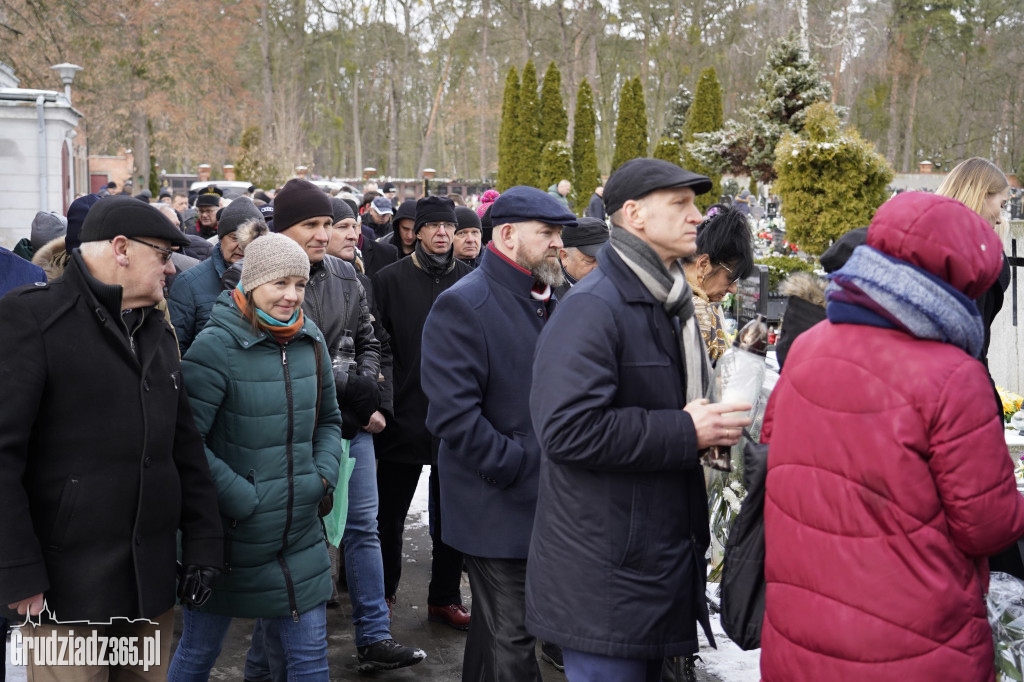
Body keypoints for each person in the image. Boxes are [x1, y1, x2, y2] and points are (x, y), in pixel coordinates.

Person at [759, 191, 1024, 681]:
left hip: (803, 633)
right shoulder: (952, 376)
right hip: (912, 642)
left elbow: (778, 457)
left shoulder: (807, 348)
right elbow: (987, 525)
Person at [525, 158, 751, 681]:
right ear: (635, 215)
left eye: (694, 204)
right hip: (606, 576)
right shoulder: (594, 307)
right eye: (680, 203)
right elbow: (566, 430)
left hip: (651, 566)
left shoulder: (667, 301)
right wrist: (686, 430)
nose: (697, 216)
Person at [0, 195, 223, 680]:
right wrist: (18, 569)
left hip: (148, 589)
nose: (171, 270)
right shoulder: (32, 320)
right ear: (121, 248)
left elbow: (183, 448)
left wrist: (204, 541)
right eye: (163, 256)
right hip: (67, 592)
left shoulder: (157, 332)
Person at [168, 228, 344, 681]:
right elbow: (186, 443)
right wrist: (245, 498)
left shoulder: (311, 340)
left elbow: (328, 420)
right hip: (231, 542)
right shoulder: (215, 346)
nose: (291, 296)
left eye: (300, 284)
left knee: (309, 663)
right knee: (196, 656)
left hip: (300, 535)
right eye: (279, 283)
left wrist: (321, 476)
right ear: (250, 283)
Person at [421, 186, 578, 681]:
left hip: (550, 504)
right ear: (507, 235)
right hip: (496, 506)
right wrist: (521, 465)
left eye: (560, 234)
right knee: (514, 638)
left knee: (495, 637)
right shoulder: (464, 304)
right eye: (547, 233)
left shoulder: (557, 297)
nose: (559, 244)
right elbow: (453, 418)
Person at [272, 178, 425, 672]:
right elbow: (284, 356)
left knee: (364, 528)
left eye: (326, 224)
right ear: (283, 229)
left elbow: (370, 338)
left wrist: (371, 399)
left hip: (352, 427)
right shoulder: (261, 277)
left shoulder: (345, 273)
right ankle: (304, 650)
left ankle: (374, 635)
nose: (322, 234)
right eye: (310, 225)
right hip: (293, 429)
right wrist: (351, 392)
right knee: (305, 537)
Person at [371, 196, 474, 630]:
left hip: (455, 417)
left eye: (448, 227)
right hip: (403, 414)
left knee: (453, 513)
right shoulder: (388, 280)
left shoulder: (471, 280)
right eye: (433, 227)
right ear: (416, 232)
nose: (442, 234)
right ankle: (384, 594)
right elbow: (376, 344)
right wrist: (383, 403)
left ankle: (444, 597)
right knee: (388, 516)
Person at [169, 197, 265, 354]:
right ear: (221, 238)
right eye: (235, 237)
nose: (242, 245)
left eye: (250, 238)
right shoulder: (188, 283)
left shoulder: (273, 281)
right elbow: (177, 349)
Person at [681, 206, 754, 362]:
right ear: (703, 265)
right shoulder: (697, 312)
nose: (733, 289)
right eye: (730, 278)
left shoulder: (667, 289)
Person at [553, 216, 608, 299]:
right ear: (565, 257)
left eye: (604, 259)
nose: (599, 268)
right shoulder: (546, 295)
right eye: (590, 261)